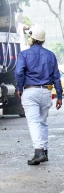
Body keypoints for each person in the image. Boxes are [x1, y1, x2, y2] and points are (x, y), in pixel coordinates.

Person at [15, 25, 62, 165]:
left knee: (34, 122)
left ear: (32, 39)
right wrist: (59, 96)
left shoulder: (24, 54)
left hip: (30, 91)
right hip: (46, 92)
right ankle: (45, 151)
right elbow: (56, 77)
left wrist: (19, 87)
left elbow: (19, 73)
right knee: (42, 122)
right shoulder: (51, 55)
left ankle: (38, 152)